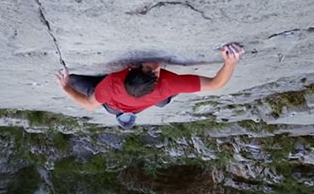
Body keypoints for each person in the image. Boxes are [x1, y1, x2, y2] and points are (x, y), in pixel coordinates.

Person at [56, 43, 246, 128]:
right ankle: (156, 105)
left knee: (74, 81)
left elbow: (90, 105)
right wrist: (230, 63)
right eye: (151, 70)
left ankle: (129, 114)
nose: (155, 66)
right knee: (163, 100)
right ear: (130, 69)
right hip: (118, 105)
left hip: (116, 105)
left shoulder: (111, 85)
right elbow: (216, 84)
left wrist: (66, 87)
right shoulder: (166, 85)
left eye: (153, 70)